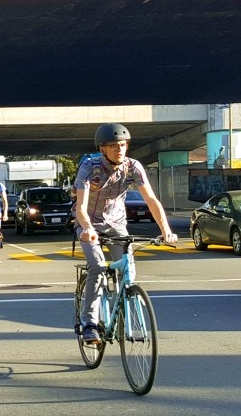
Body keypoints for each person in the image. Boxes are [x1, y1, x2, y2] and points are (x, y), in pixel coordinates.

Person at [74, 123, 179, 345]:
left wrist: (166, 230)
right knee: (98, 267)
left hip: (117, 224)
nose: (119, 149)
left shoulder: (133, 167)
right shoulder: (89, 167)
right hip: (89, 225)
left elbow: (151, 200)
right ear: (102, 149)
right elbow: (81, 207)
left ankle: (126, 299)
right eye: (112, 146)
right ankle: (90, 324)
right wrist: (87, 228)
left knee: (128, 270)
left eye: (122, 145)